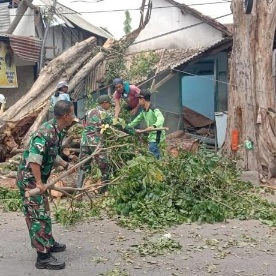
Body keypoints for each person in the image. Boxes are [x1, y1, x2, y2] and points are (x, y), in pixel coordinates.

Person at [16, 100, 76, 270]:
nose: (73, 117)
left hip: (35, 179)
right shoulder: (45, 133)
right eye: (72, 113)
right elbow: (34, 159)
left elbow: (51, 154)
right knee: (37, 216)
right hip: (30, 181)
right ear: (65, 116)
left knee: (44, 211)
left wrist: (65, 165)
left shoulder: (57, 131)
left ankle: (48, 242)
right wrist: (39, 182)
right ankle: (42, 257)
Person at [76, 95, 134, 189]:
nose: (110, 106)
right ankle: (103, 192)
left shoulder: (89, 112)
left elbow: (84, 125)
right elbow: (117, 123)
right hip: (96, 144)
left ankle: (78, 191)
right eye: (109, 104)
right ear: (104, 103)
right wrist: (131, 131)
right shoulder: (103, 113)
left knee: (83, 167)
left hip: (84, 142)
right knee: (104, 167)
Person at [128, 89, 165, 159]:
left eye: (139, 99)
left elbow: (161, 118)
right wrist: (126, 127)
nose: (138, 101)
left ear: (142, 99)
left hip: (157, 136)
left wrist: (153, 126)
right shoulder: (144, 111)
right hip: (151, 136)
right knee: (153, 152)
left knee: (153, 153)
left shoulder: (154, 109)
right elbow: (136, 121)